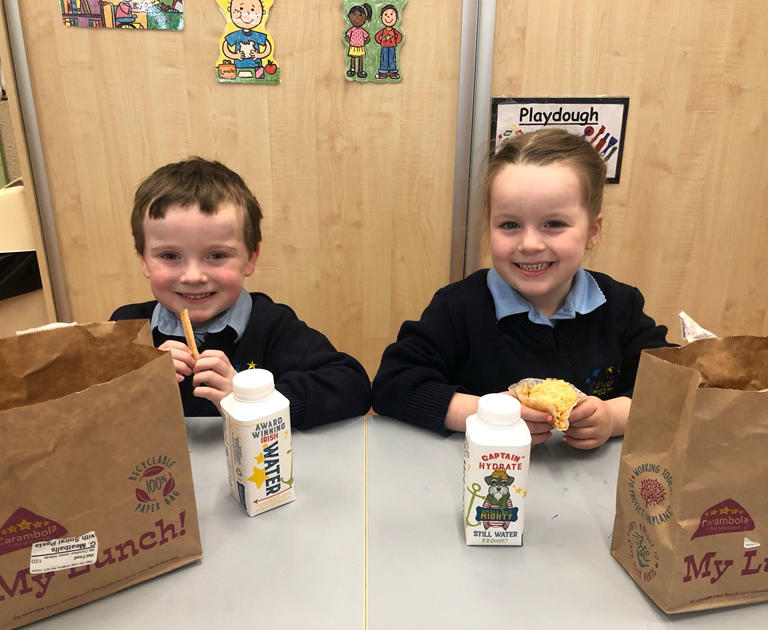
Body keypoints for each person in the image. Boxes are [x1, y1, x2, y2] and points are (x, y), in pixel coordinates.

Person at [372, 128, 673, 449]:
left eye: (554, 224)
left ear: (592, 231)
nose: (529, 244)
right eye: (510, 225)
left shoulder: (619, 306)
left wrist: (613, 417)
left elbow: (673, 388)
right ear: (489, 227)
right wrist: (489, 415)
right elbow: (391, 387)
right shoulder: (458, 307)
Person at [111, 157, 371, 429]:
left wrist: (251, 402)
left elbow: (352, 386)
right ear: (143, 260)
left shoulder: (271, 325)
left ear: (251, 257)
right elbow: (83, 411)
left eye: (217, 255)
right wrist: (133, 385)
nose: (194, 276)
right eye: (170, 255)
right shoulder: (127, 328)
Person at [221, 0, 272, 79]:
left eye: (252, 9)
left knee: (259, 77)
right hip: (238, 67)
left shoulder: (257, 35)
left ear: (263, 12)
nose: (247, 13)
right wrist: (235, 56)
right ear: (229, 10)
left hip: (257, 67)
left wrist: (259, 55)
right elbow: (225, 45)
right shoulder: (236, 35)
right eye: (241, 8)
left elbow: (268, 46)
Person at [374, 4, 402, 80]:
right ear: (381, 17)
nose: (388, 17)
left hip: (392, 46)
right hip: (384, 47)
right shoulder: (383, 30)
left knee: (392, 59)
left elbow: (399, 36)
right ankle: (383, 72)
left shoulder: (393, 30)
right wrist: (380, 42)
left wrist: (395, 42)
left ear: (397, 17)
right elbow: (377, 36)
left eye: (391, 14)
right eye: (385, 14)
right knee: (384, 59)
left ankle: (393, 72)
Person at [345, 4, 372, 79]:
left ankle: (360, 70)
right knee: (352, 57)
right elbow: (346, 36)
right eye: (354, 14)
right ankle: (352, 69)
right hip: (353, 46)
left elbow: (367, 37)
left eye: (360, 15)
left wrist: (365, 41)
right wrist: (350, 41)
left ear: (365, 18)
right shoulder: (352, 29)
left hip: (360, 46)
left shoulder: (362, 30)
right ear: (349, 16)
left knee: (360, 58)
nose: (357, 17)